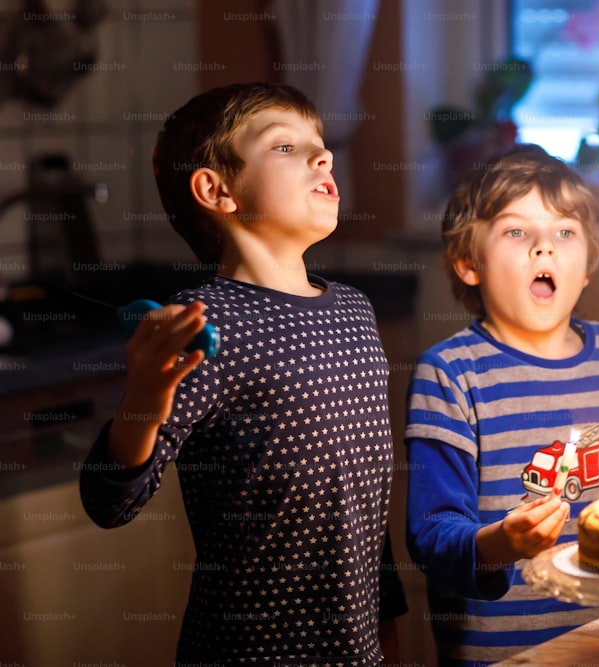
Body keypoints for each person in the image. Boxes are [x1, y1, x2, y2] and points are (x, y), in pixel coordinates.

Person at [79, 82, 405, 667]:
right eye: (285, 147)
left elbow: (363, 505)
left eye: (321, 144)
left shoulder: (356, 311)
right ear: (217, 190)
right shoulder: (208, 325)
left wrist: (388, 629)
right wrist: (147, 397)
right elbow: (109, 501)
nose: (323, 156)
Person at [405, 143, 599, 666]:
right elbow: (431, 537)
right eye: (517, 231)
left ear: (588, 265)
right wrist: (501, 543)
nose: (544, 248)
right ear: (468, 262)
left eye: (565, 232)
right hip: (505, 658)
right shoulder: (452, 373)